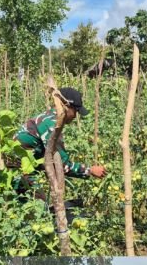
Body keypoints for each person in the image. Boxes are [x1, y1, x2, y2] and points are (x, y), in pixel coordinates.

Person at [12, 87, 106, 222]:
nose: (75, 116)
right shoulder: (51, 124)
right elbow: (62, 165)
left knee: (28, 210)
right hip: (17, 169)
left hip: (22, 167)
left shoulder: (49, 117)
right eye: (76, 111)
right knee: (39, 212)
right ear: (67, 106)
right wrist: (89, 170)